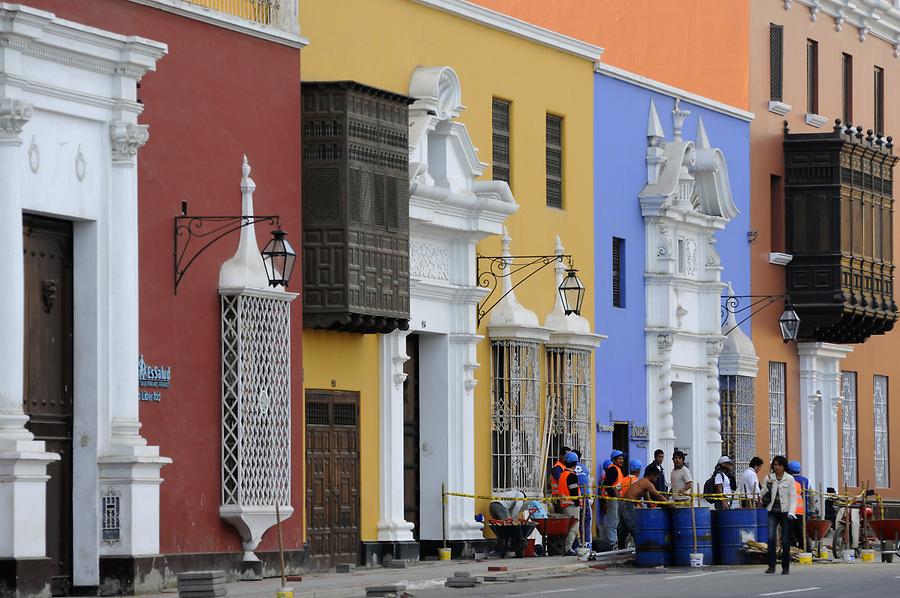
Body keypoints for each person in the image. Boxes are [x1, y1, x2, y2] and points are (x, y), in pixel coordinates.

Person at [619, 464, 671, 547]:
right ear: (651, 475)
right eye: (656, 477)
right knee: (635, 527)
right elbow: (658, 496)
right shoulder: (647, 483)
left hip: (623, 504)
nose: (656, 479)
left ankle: (621, 549)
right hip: (627, 504)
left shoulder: (642, 482)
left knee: (624, 529)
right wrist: (670, 504)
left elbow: (648, 500)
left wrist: (652, 508)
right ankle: (640, 548)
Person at [764, 455, 798, 575]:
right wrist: (767, 487)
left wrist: (791, 513)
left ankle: (785, 567)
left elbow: (793, 497)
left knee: (785, 541)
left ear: (784, 467)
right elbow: (762, 494)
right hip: (772, 511)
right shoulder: (769, 478)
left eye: (779, 465)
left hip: (785, 512)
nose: (776, 467)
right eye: (775, 465)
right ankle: (771, 566)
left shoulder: (789, 479)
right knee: (771, 539)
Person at [553, 451, 581, 555]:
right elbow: (573, 492)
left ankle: (567, 547)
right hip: (572, 505)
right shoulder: (572, 476)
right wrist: (578, 503)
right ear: (575, 463)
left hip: (564, 504)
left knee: (568, 527)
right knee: (573, 528)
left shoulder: (563, 474)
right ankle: (568, 548)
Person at [602, 450, 625, 547]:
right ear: (614, 460)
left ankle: (614, 542)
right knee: (612, 521)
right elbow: (607, 484)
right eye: (619, 459)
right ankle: (612, 543)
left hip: (616, 499)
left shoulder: (617, 469)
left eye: (622, 459)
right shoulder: (613, 470)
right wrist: (614, 495)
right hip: (613, 500)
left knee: (615, 521)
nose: (621, 461)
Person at [617, 460, 642, 548]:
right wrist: (639, 504)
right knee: (633, 525)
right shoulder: (636, 481)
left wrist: (619, 498)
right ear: (638, 470)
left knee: (623, 526)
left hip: (622, 504)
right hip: (629, 504)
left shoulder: (624, 479)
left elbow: (615, 488)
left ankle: (621, 547)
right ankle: (638, 546)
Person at [572, 449, 592, 548]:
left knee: (575, 521)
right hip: (584, 496)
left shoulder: (570, 469)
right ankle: (586, 542)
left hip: (574, 497)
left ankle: (575, 544)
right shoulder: (584, 468)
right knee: (586, 520)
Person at [788, 460, 809, 546]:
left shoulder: (788, 480)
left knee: (790, 533)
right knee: (801, 533)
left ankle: (792, 550)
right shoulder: (806, 480)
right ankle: (805, 550)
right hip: (803, 510)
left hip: (791, 511)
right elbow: (810, 496)